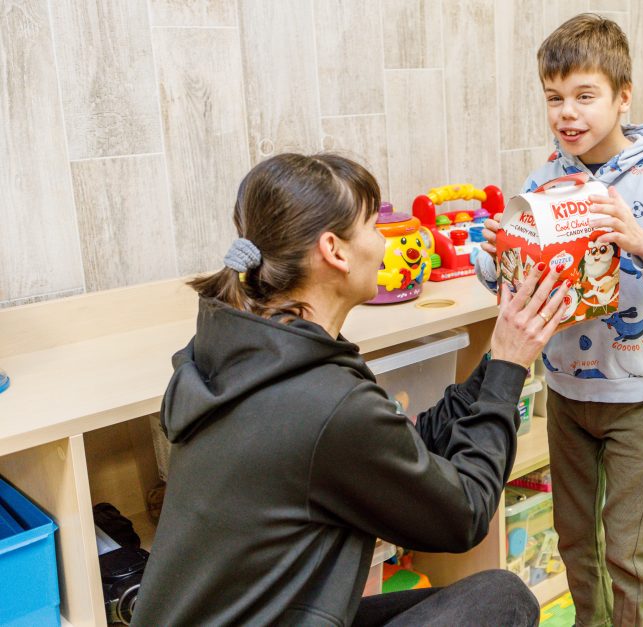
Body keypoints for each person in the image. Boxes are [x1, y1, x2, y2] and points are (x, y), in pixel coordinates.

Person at [132, 152, 571, 626]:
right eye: (373, 226)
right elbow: (465, 512)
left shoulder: (238, 349)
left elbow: (396, 452)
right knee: (502, 600)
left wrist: (500, 358)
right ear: (334, 250)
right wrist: (508, 369)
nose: (384, 243)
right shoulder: (323, 399)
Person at [474, 14, 643, 627]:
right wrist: (494, 257)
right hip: (565, 389)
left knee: (630, 557)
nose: (568, 113)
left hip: (637, 394)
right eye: (554, 98)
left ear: (622, 97)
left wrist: (640, 240)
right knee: (575, 546)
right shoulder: (546, 177)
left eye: (585, 96)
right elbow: (517, 279)